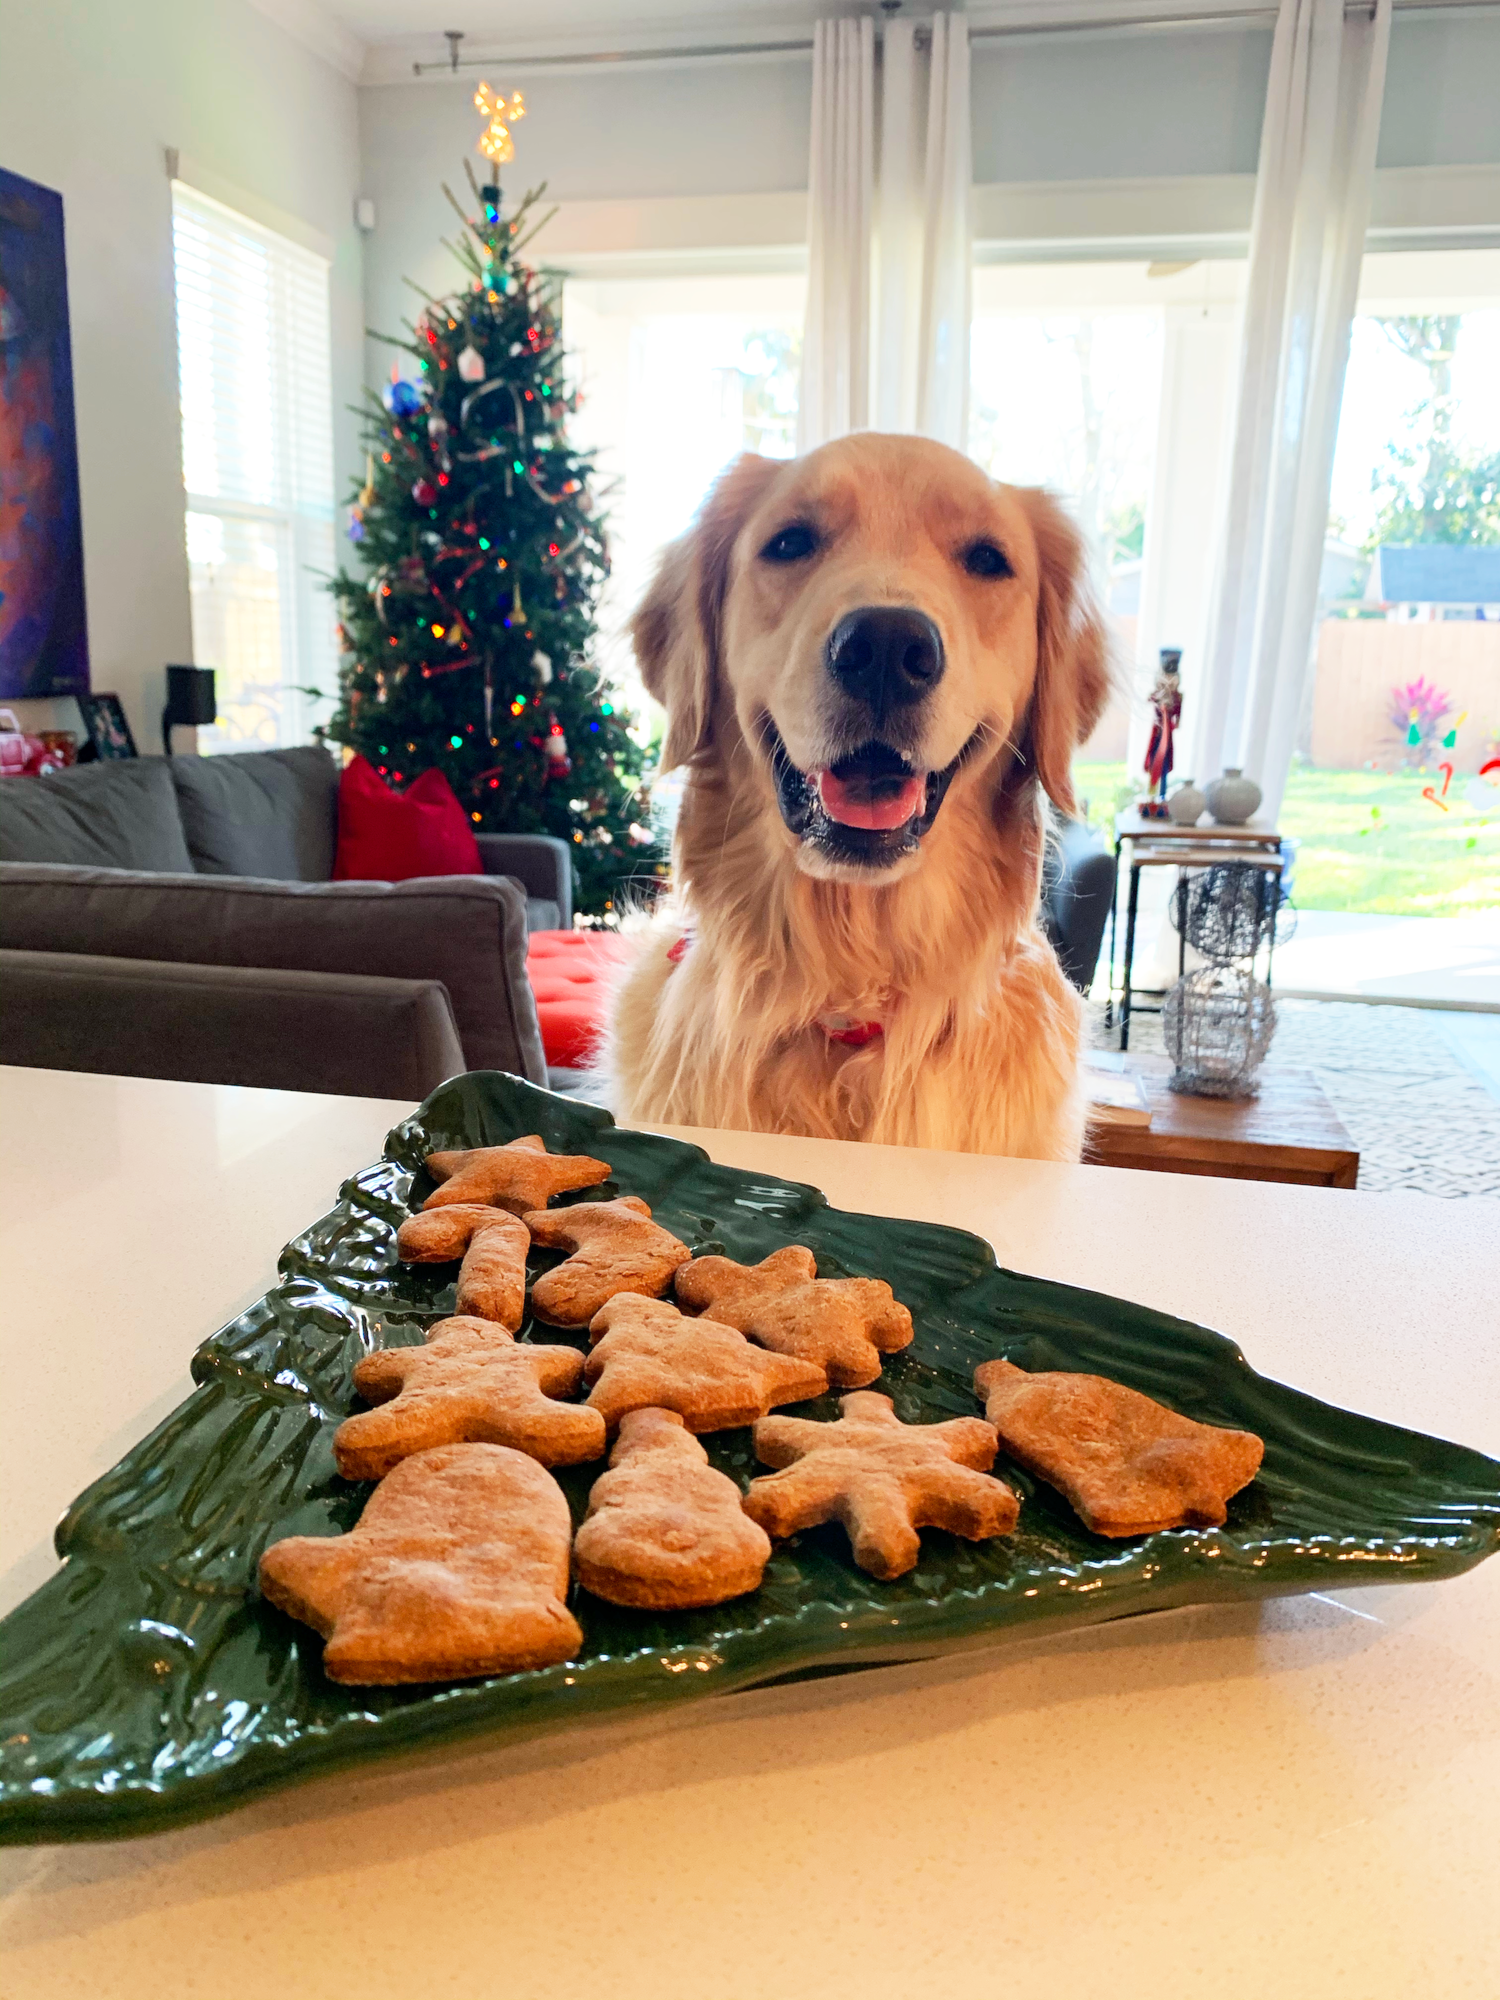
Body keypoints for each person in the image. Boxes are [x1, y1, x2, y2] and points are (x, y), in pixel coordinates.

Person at [1142, 649, 1182, 817]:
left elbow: (1178, 719)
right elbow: (1148, 699)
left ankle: (1162, 795)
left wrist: (1171, 719)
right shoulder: (1157, 695)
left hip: (1168, 737)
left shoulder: (1178, 697)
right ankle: (1151, 794)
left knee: (1163, 767)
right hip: (1157, 734)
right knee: (1154, 764)